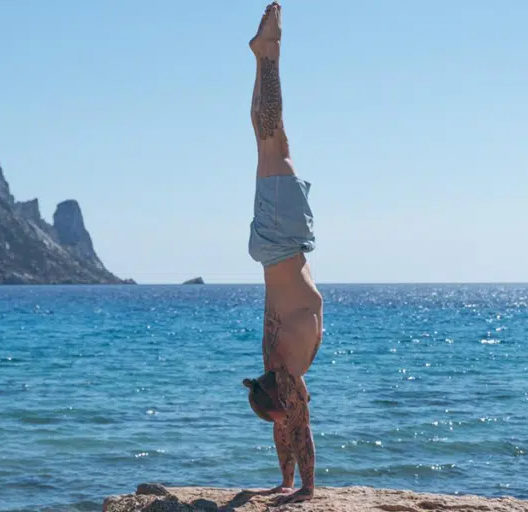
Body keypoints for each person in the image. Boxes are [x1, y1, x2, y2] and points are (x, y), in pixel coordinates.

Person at [240, 1, 324, 506]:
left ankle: (267, 56)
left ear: (280, 399)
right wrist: (288, 482)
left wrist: (306, 488)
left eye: (284, 410)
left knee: (274, 141)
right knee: (270, 140)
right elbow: (286, 428)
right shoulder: (280, 368)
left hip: (280, 239)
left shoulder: (285, 370)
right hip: (284, 243)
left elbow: (297, 428)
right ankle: (263, 56)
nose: (294, 413)